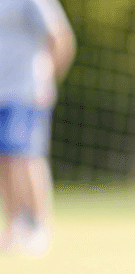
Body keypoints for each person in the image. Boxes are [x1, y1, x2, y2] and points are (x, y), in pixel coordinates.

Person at [0, 0, 75, 256]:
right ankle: (16, 227)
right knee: (5, 159)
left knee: (26, 156)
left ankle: (40, 227)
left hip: (25, 92)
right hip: (1, 94)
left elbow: (62, 36)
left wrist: (48, 77)